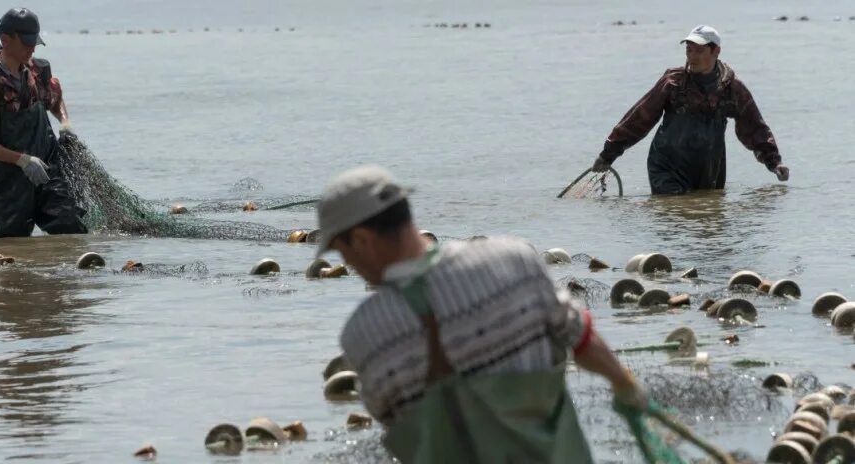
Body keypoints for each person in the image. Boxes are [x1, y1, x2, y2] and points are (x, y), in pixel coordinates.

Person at [315, 165, 645, 462]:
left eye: (340, 250)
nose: (346, 263)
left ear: (360, 239)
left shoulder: (363, 334)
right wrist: (625, 384)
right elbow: (581, 338)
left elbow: (399, 425)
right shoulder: (514, 261)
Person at [591, 25, 790, 195]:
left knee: (709, 223)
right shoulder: (673, 83)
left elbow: (754, 127)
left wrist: (774, 163)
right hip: (666, 168)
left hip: (710, 170)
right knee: (675, 218)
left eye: (699, 51)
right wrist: (609, 154)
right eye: (688, 50)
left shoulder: (731, 89)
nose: (692, 57)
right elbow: (639, 118)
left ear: (716, 51)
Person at [0, 8, 87, 238]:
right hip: (9, 182)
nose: (32, 48)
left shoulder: (37, 71)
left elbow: (55, 100)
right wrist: (23, 160)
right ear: (5, 40)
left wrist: (65, 124)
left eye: (35, 41)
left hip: (47, 171)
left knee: (71, 230)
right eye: (27, 42)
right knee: (10, 241)